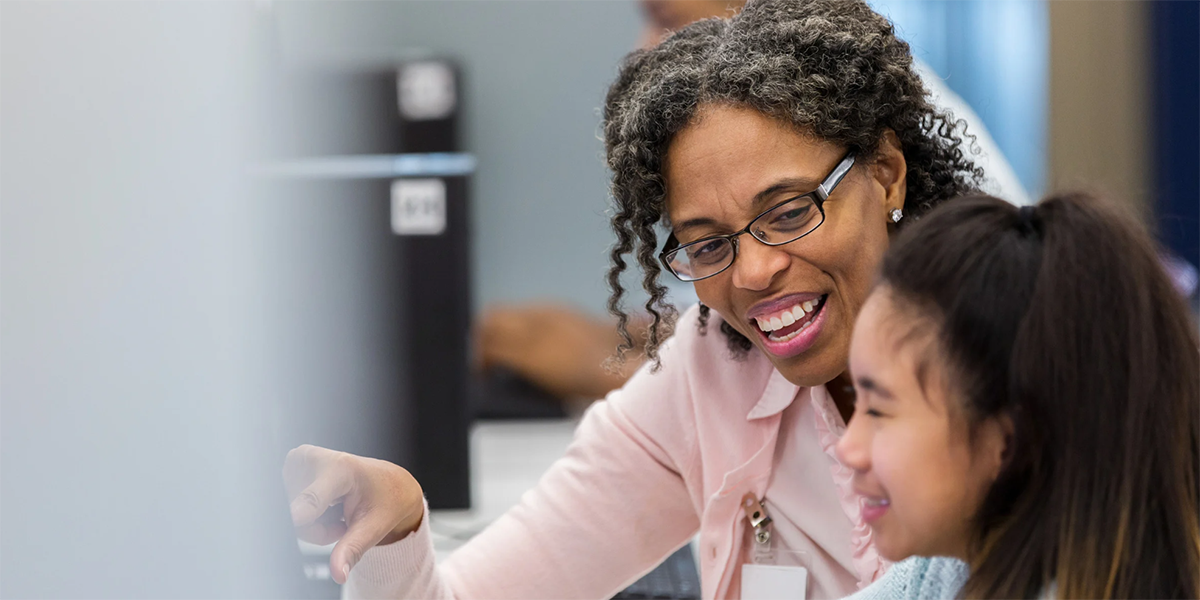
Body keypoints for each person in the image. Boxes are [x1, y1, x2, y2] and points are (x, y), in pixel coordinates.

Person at [284, 2, 991, 598]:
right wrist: (399, 527)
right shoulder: (709, 373)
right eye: (708, 244)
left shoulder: (1005, 360)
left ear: (888, 174)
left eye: (788, 212)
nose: (752, 272)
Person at [478, 0, 1031, 404]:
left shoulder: (868, 124)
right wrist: (611, 341)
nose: (644, 46)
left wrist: (594, 365)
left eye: (666, 20)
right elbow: (734, 326)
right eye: (707, 243)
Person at [837, 193, 1200, 599]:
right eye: (857, 401)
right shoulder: (948, 569)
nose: (848, 448)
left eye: (880, 410)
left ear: (1009, 442)